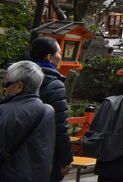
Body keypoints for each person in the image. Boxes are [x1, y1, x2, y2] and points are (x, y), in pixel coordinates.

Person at [0, 61, 55, 182]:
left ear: (19, 86)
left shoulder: (4, 111)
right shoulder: (48, 111)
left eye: (6, 83)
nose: (4, 88)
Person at [29, 36, 73, 180]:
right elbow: (60, 125)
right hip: (45, 150)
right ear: (49, 57)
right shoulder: (54, 85)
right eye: (59, 53)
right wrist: (66, 158)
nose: (61, 57)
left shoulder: (19, 77)